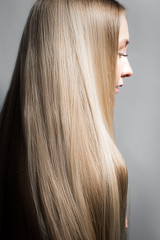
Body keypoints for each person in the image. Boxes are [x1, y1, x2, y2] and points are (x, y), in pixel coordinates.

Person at [0, 0, 133, 239]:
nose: (128, 68)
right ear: (80, 60)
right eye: (119, 52)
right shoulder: (104, 180)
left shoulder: (7, 155)